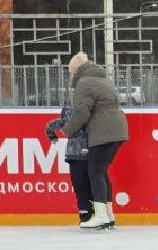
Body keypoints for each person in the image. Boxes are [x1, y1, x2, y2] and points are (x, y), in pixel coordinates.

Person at [51, 51, 127, 229]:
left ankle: (101, 216)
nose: (70, 76)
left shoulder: (84, 83)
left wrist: (66, 131)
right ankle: (108, 215)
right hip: (117, 129)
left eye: (70, 73)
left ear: (76, 70)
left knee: (95, 173)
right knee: (101, 172)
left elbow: (81, 113)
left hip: (104, 131)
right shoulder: (101, 79)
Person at [44, 100, 93, 224]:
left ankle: (84, 215)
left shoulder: (66, 118)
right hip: (93, 153)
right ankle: (98, 212)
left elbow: (50, 126)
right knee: (94, 184)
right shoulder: (90, 116)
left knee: (80, 186)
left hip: (75, 155)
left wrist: (53, 137)